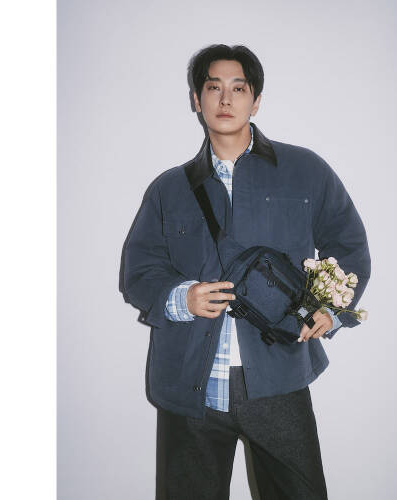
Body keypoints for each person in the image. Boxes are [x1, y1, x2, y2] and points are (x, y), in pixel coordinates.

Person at [120, 44, 371, 500]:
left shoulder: (305, 171)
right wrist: (181, 298)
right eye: (213, 87)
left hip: (279, 379)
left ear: (255, 101)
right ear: (196, 99)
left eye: (238, 88)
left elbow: (349, 246)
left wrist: (330, 310)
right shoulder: (169, 188)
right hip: (189, 387)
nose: (225, 99)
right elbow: (139, 270)